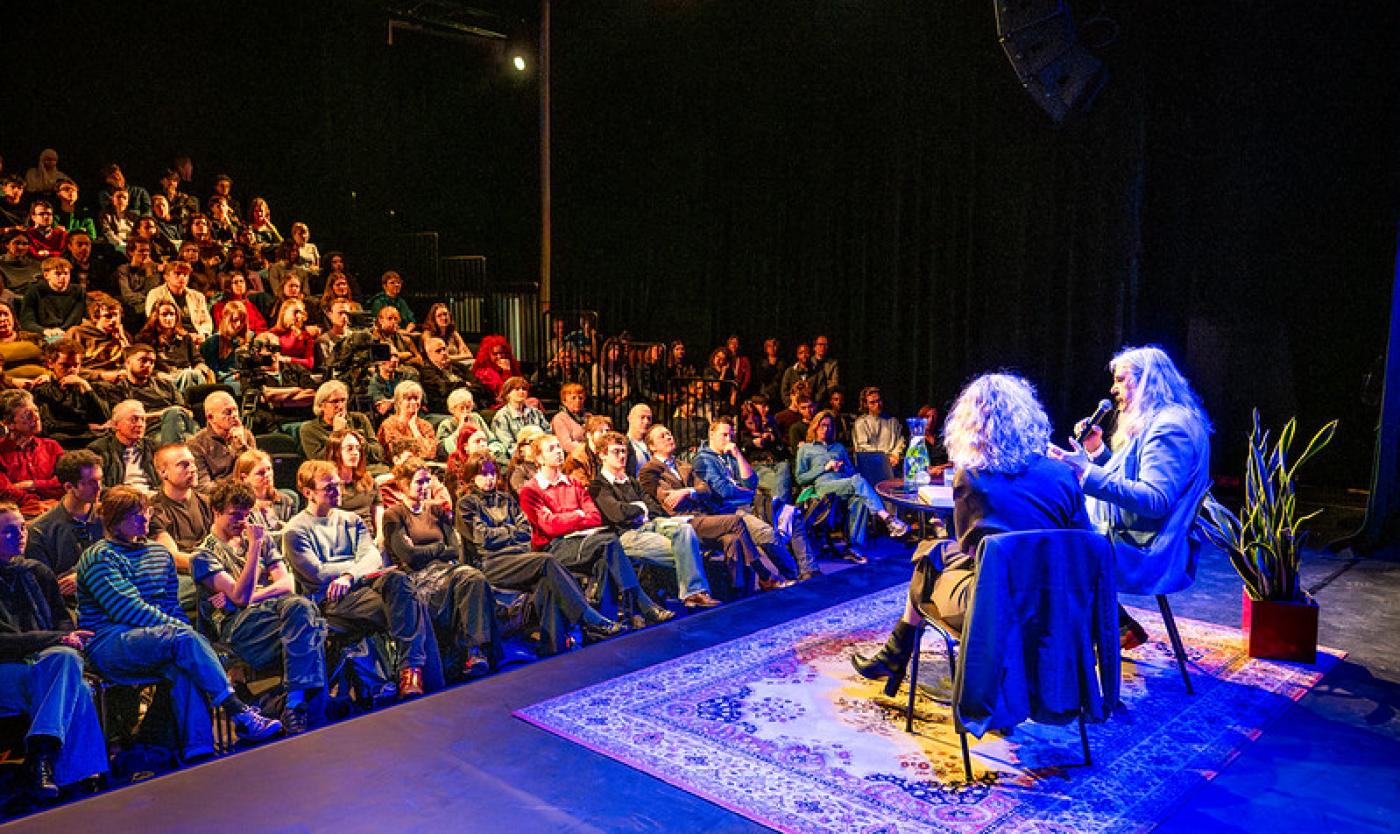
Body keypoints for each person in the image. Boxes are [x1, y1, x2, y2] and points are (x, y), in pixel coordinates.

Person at [852, 373, 1092, 694]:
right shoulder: (1063, 474)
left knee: (929, 562)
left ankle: (896, 653)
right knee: (934, 551)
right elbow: (1084, 543)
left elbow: (969, 550)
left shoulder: (973, 477)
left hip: (993, 608)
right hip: (1056, 604)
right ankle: (895, 653)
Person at [78, 486, 282, 762]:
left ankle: (199, 750)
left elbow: (171, 606)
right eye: (136, 514)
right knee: (183, 641)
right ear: (115, 521)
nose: (145, 518)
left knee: (183, 665)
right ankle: (238, 710)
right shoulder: (99, 556)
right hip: (110, 640)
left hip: (160, 639)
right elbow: (127, 609)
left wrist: (181, 631)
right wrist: (181, 632)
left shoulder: (159, 554)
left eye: (147, 511)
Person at [1047, 345, 1213, 648]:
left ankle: (1088, 635)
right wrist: (1097, 453)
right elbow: (1132, 480)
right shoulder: (1164, 421)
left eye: (1122, 380)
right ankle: (1113, 624)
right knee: (1053, 534)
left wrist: (1085, 472)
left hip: (1145, 550)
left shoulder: (1169, 428)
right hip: (1132, 536)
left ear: (1149, 381)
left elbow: (1155, 500)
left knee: (1048, 545)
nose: (1113, 389)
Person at [281, 460, 438, 698]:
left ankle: (410, 671)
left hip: (360, 583)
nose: (337, 491)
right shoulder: (296, 530)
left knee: (399, 582)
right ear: (308, 492)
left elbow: (373, 557)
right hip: (331, 598)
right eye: (329, 488)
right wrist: (356, 567)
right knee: (409, 604)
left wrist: (349, 575)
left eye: (338, 485)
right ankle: (417, 675)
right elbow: (317, 574)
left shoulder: (350, 519)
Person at [193, 479, 326, 735]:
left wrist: (247, 597)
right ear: (216, 511)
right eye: (235, 515)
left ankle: (292, 706)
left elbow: (286, 585)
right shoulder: (204, 556)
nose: (242, 521)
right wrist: (254, 549)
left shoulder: (259, 539)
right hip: (236, 630)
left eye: (246, 515)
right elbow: (241, 598)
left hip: (276, 616)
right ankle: (299, 706)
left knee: (303, 612)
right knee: (311, 624)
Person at [456, 453, 624, 654]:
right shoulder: (466, 504)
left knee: (547, 582)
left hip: (518, 557)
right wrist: (511, 531)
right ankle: (587, 616)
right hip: (491, 563)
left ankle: (553, 646)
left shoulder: (506, 499)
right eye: (483, 474)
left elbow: (526, 532)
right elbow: (482, 538)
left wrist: (501, 533)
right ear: (472, 477)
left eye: (492, 473)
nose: (489, 478)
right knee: (546, 561)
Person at [0, 501, 107, 799]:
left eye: (22, 528)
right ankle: (79, 772)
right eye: (8, 531)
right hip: (6, 669)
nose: (20, 535)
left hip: (43, 664)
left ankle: (41, 756)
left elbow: (62, 621)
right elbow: (4, 642)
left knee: (66, 662)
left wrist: (64, 637)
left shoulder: (37, 572)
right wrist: (56, 638)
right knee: (73, 680)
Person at [517, 434, 671, 625]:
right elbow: (550, 526)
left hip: (585, 542)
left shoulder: (573, 483)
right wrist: (578, 515)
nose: (558, 451)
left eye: (558, 446)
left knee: (605, 560)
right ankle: (643, 606)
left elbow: (594, 517)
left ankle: (606, 621)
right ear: (540, 459)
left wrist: (566, 518)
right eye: (551, 449)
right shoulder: (531, 490)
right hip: (554, 548)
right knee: (609, 542)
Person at [382, 458, 500, 678]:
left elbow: (454, 550)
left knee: (474, 577)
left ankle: (475, 652)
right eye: (419, 482)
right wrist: (438, 547)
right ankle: (469, 652)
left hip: (447, 570)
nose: (425, 486)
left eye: (427, 481)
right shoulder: (394, 515)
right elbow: (408, 556)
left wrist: (425, 549)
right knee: (466, 579)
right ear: (404, 485)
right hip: (417, 576)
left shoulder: (436, 510)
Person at [589, 432, 720, 609]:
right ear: (602, 455)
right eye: (616, 451)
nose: (621, 456)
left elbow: (652, 508)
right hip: (626, 535)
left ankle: (692, 593)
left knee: (685, 529)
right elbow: (617, 513)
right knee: (687, 550)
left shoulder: (631, 481)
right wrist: (639, 508)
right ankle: (693, 593)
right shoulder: (599, 486)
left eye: (624, 451)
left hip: (651, 524)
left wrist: (638, 509)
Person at [638, 424, 775, 593]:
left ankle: (737, 590)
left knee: (732, 539)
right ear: (652, 446)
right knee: (736, 521)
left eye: (669, 433)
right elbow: (669, 500)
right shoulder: (649, 471)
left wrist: (688, 491)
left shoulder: (683, 465)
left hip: (702, 518)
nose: (668, 437)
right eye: (662, 436)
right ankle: (764, 575)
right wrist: (694, 493)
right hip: (681, 522)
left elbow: (706, 490)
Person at [691, 419, 814, 580]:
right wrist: (747, 492)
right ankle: (794, 576)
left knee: (793, 514)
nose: (729, 440)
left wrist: (738, 455)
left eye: (731, 436)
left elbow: (752, 482)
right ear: (711, 434)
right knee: (767, 533)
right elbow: (723, 491)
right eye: (724, 435)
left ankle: (809, 570)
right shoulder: (703, 460)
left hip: (752, 504)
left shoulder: (730, 455)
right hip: (730, 510)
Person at [794, 409, 910, 561]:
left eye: (829, 426)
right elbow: (800, 478)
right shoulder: (806, 449)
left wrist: (843, 468)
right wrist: (825, 468)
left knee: (859, 499)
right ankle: (887, 518)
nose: (826, 429)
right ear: (815, 427)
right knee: (857, 480)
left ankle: (854, 548)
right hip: (823, 487)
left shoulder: (839, 448)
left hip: (844, 485)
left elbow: (852, 472)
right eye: (822, 425)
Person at [24, 450, 104, 602]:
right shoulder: (40, 531)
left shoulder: (110, 516)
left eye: (100, 480)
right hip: (72, 605)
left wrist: (86, 576)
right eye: (90, 482)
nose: (99, 487)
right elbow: (45, 586)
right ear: (68, 487)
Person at [30, 338, 109, 446]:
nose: (72, 370)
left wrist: (85, 387)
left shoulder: (89, 386)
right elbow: (48, 425)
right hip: (64, 440)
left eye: (76, 365)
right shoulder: (42, 390)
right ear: (51, 364)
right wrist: (85, 427)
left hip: (93, 438)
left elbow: (104, 418)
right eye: (65, 365)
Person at [0, 389, 64, 516]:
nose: (36, 417)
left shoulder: (52, 446)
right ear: (9, 424)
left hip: (55, 510)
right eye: (28, 415)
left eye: (36, 410)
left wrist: (32, 485)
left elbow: (66, 482)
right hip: (17, 515)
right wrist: (37, 503)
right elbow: (5, 492)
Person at [135, 299, 214, 394]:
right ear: (156, 316)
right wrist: (160, 374)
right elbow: (143, 366)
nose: (169, 318)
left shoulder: (185, 338)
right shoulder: (145, 339)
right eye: (164, 315)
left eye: (172, 314)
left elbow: (197, 360)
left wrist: (199, 368)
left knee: (193, 375)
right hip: (163, 379)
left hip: (186, 374)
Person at [301, 380, 384, 464]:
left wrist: (361, 443)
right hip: (335, 471)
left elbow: (378, 454)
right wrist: (337, 434)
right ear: (321, 405)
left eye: (343, 400)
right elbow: (321, 463)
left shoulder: (359, 419)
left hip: (367, 468)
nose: (340, 406)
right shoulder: (309, 429)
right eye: (335, 401)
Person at [188, 390, 257, 487]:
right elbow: (204, 487)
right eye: (228, 412)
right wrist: (237, 479)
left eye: (235, 410)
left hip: (249, 490)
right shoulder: (196, 445)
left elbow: (256, 470)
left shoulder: (246, 435)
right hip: (220, 495)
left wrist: (242, 447)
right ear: (211, 417)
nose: (234, 415)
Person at [88, 400, 159, 491]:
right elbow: (97, 486)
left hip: (152, 496)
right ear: (116, 424)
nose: (140, 424)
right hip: (119, 497)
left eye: (143, 420)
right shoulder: (99, 449)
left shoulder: (152, 447)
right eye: (134, 419)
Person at [324, 428, 381, 536]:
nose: (355, 453)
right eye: (349, 449)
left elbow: (378, 512)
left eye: (358, 449)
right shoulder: (327, 484)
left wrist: (380, 537)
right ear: (336, 452)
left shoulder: (368, 481)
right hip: (340, 537)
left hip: (368, 537)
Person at [20, 257, 85, 342]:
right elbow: (27, 322)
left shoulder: (78, 291)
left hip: (71, 334)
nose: (63, 277)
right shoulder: (34, 291)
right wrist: (45, 331)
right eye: (58, 274)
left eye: (66, 274)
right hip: (46, 335)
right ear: (46, 275)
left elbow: (82, 317)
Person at [489, 376, 549, 463]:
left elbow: (547, 432)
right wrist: (529, 455)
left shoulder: (536, 412)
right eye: (517, 389)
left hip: (541, 454)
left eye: (524, 389)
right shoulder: (501, 417)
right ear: (508, 394)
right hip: (516, 460)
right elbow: (508, 446)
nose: (521, 392)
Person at [378, 379, 437, 461]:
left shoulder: (426, 425)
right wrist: (420, 446)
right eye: (408, 399)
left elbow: (431, 453)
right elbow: (397, 451)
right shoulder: (389, 424)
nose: (413, 402)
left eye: (416, 398)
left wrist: (414, 428)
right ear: (399, 402)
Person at [852, 386, 907, 470]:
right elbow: (862, 447)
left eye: (879, 401)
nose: (877, 405)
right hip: (871, 466)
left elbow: (900, 442)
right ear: (866, 404)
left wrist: (895, 455)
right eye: (872, 402)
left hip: (892, 465)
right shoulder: (861, 423)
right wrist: (883, 458)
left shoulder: (893, 422)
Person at [436, 388, 490, 458]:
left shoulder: (476, 418)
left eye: (468, 407)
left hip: (480, 457)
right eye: (461, 408)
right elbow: (441, 450)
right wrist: (459, 429)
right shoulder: (446, 425)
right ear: (452, 410)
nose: (465, 411)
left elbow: (493, 441)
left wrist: (490, 451)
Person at [472, 334, 520, 404]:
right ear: (487, 355)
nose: (499, 356)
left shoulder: (511, 365)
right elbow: (504, 394)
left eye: (502, 353)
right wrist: (506, 372)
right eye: (495, 354)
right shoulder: (484, 373)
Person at [552, 382, 591, 455]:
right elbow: (566, 445)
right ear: (564, 401)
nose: (578, 401)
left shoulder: (589, 416)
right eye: (573, 398)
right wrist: (589, 449)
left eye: (580, 398)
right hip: (572, 456)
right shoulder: (560, 418)